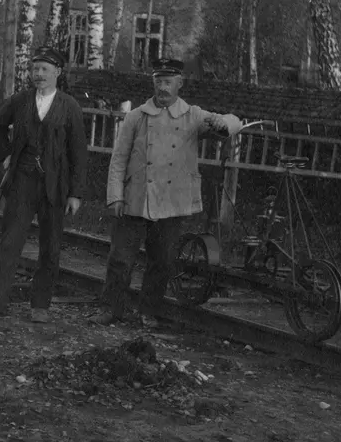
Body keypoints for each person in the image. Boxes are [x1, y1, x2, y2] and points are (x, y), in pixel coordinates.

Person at [92, 58, 242, 327]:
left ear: (179, 83)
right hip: (135, 198)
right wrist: (115, 195)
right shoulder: (137, 116)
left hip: (170, 202)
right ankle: (111, 309)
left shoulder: (193, 115)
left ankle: (148, 311)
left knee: (162, 261)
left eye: (168, 82)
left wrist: (224, 122)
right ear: (153, 83)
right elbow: (118, 159)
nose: (163, 87)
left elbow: (233, 122)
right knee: (120, 260)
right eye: (158, 81)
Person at [0, 46, 87, 324]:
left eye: (45, 69)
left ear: (57, 72)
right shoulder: (20, 101)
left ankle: (40, 305)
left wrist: (76, 194)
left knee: (51, 246)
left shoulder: (69, 106)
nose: (39, 74)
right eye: (35, 69)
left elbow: (79, 153)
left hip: (56, 187)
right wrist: (6, 154)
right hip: (22, 181)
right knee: (9, 242)